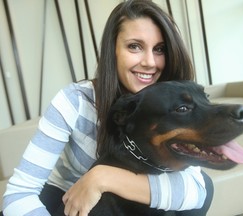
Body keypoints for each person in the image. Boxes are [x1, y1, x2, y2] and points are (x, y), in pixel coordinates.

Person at [2, 0, 213, 215]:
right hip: (65, 192)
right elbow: (20, 193)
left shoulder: (174, 103)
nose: (150, 62)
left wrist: (102, 177)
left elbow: (196, 189)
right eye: (134, 46)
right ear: (112, 50)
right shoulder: (74, 100)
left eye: (159, 49)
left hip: (118, 191)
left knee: (201, 191)